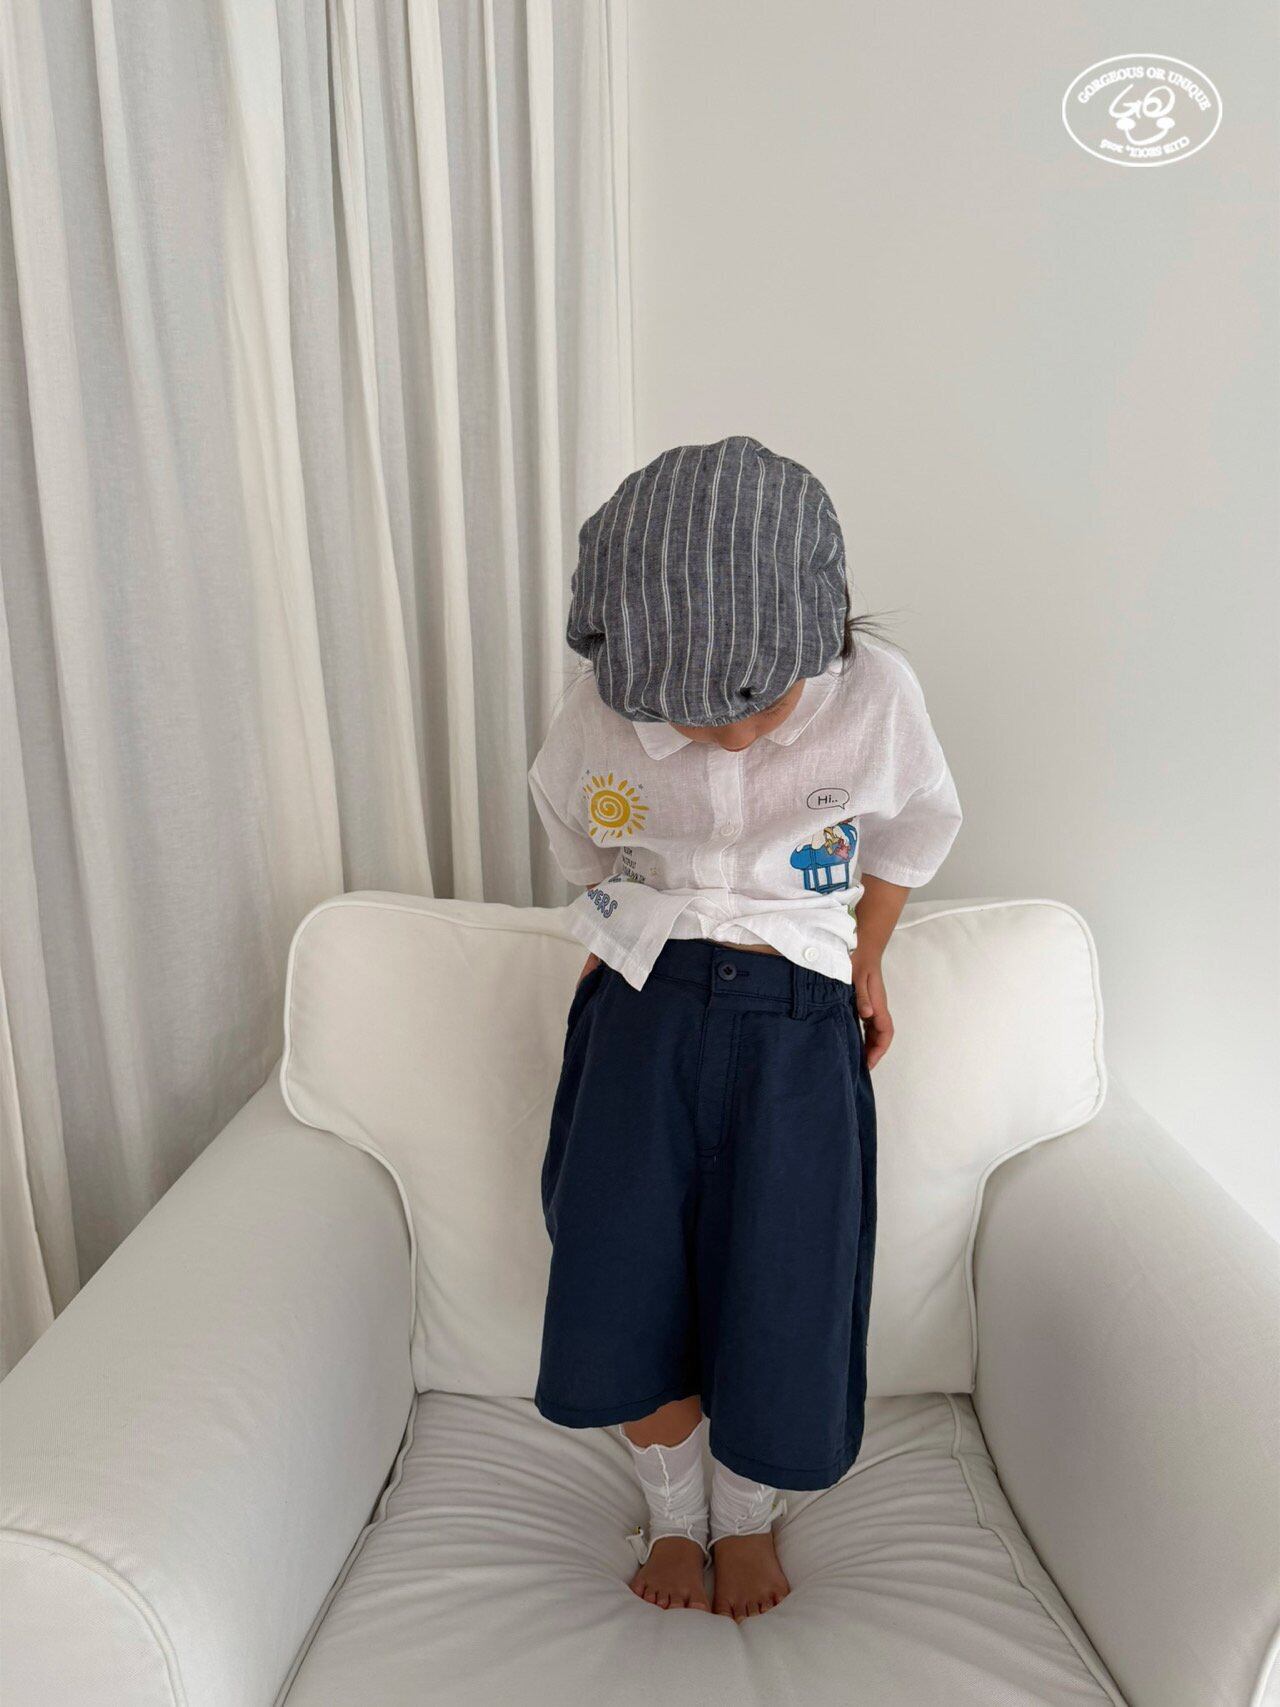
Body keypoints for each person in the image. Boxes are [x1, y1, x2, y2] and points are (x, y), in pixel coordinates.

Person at [526, 434, 962, 1620]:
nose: (727, 737)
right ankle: (673, 1514)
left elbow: (916, 828)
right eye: (687, 710)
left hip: (798, 1017)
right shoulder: (595, 711)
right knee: (616, 1265)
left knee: (787, 1274)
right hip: (642, 1005)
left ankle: (745, 1516)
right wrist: (617, 932)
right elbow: (572, 832)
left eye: (758, 703)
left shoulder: (876, 699)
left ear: (823, 636)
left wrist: (866, 957)